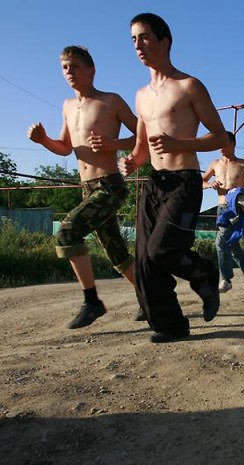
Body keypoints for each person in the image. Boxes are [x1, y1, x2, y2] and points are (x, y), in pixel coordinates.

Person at [120, 13, 229, 343]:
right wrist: (131, 163)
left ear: (164, 42)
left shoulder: (188, 86)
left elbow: (221, 138)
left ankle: (204, 274)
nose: (138, 45)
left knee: (161, 251)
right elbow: (141, 149)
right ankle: (171, 326)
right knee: (143, 260)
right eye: (133, 39)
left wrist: (178, 143)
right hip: (155, 182)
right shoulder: (141, 95)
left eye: (145, 37)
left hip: (184, 181)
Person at [27, 45, 138, 329]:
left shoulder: (110, 101)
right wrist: (43, 140)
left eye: (75, 66)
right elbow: (65, 148)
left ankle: (92, 301)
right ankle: (153, 294)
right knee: (117, 254)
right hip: (86, 187)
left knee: (67, 232)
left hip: (109, 185)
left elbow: (143, 135)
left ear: (91, 70)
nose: (69, 72)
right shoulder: (67, 106)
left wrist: (115, 145)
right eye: (65, 67)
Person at [202, 131, 244, 294]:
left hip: (238, 209)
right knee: (233, 246)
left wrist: (243, 195)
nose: (220, 147)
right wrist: (209, 185)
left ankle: (226, 279)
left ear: (233, 144)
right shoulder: (215, 163)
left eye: (224, 144)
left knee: (221, 242)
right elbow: (201, 181)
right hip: (222, 208)